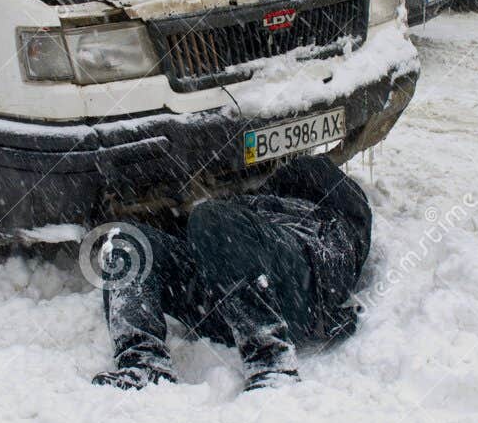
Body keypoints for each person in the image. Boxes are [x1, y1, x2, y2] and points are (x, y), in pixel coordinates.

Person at [90, 154, 372, 392]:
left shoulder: (330, 228)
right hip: (219, 295)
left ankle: (271, 362)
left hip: (285, 296)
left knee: (210, 217)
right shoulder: (251, 208)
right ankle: (144, 364)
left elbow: (336, 276)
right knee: (125, 239)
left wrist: (329, 314)